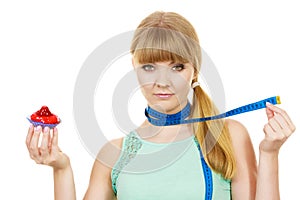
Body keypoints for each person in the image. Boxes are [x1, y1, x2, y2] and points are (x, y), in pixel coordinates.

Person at [26, 11, 296, 200]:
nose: (162, 82)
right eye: (149, 67)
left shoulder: (227, 135)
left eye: (177, 67)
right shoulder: (114, 154)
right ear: (134, 67)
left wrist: (269, 153)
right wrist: (61, 168)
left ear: (194, 71)